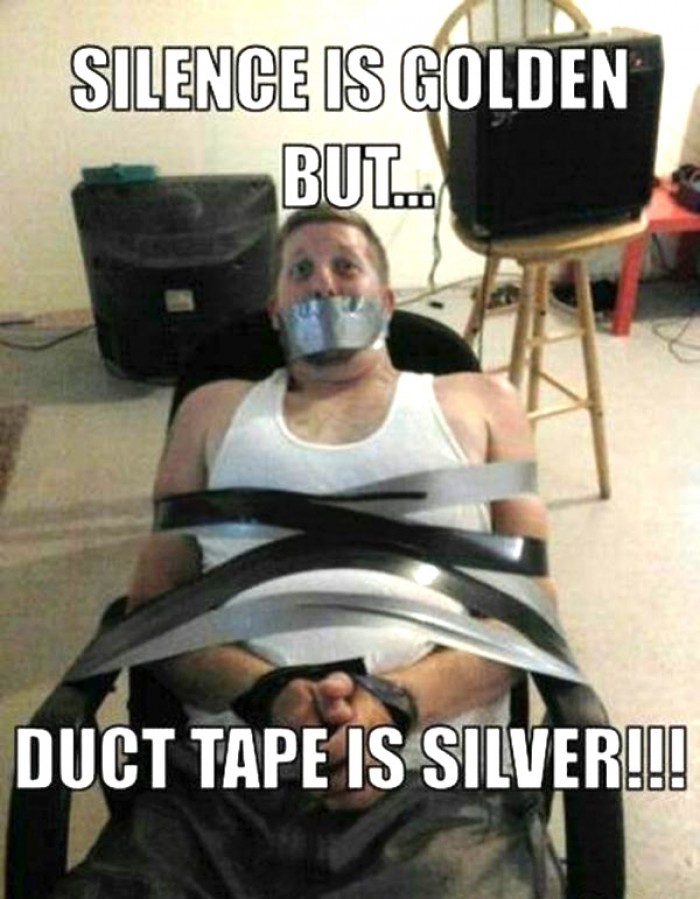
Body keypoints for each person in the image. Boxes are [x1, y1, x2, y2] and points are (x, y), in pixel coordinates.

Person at [54, 206, 560, 898]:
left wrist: (396, 705)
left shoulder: (481, 403)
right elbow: (152, 609)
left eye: (345, 266)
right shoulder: (211, 412)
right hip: (223, 792)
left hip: (433, 792)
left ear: (386, 301)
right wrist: (268, 695)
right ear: (275, 312)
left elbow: (532, 608)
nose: (323, 283)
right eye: (301, 271)